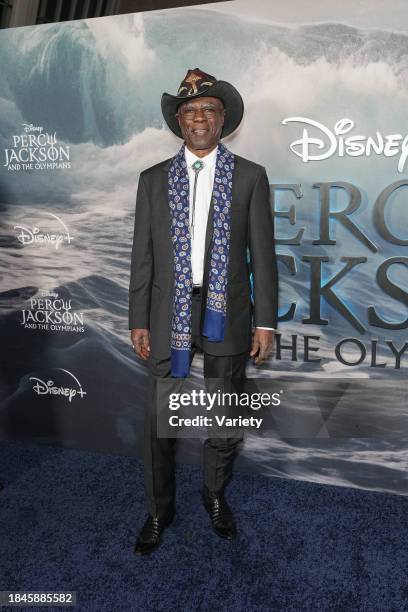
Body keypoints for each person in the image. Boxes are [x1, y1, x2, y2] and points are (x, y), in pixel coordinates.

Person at [129, 68, 278, 555]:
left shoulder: (251, 177)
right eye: (190, 110)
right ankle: (158, 510)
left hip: (227, 314)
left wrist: (265, 321)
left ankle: (214, 494)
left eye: (208, 110)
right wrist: (137, 319)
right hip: (164, 314)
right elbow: (143, 257)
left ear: (223, 121)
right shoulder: (152, 181)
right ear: (179, 120)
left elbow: (262, 254)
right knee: (159, 422)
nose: (199, 117)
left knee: (223, 417)